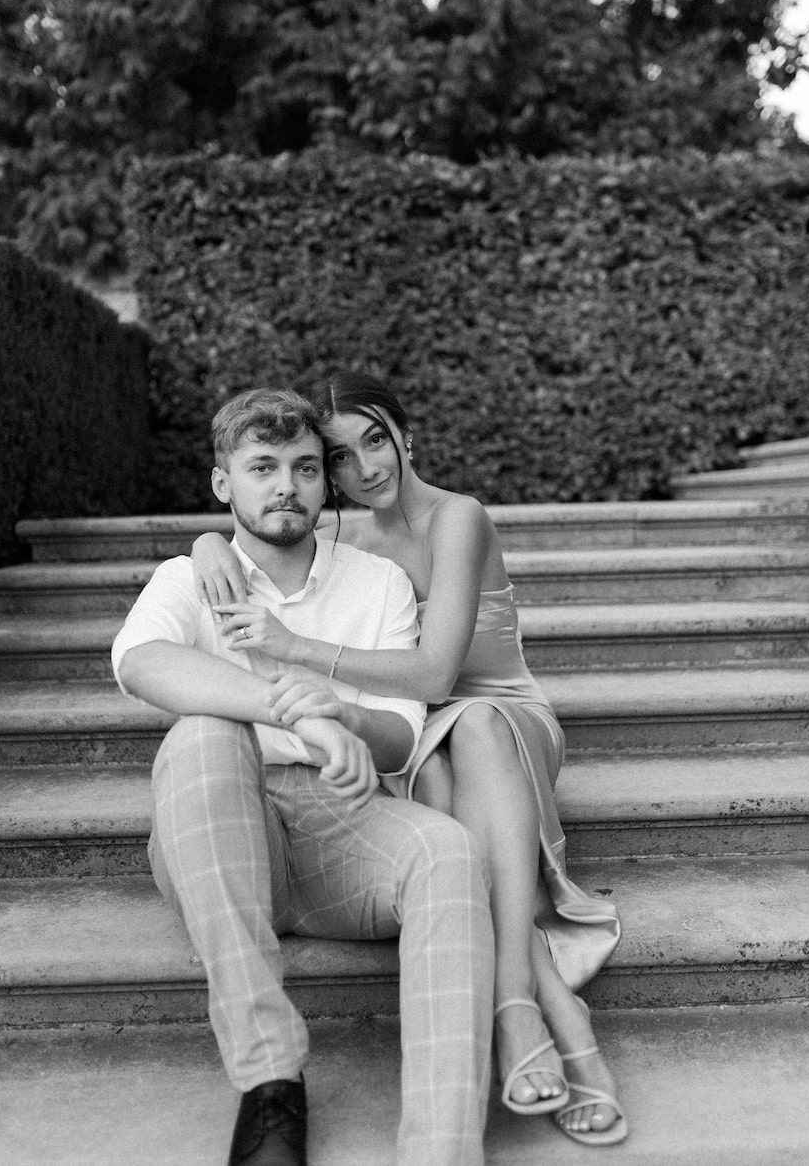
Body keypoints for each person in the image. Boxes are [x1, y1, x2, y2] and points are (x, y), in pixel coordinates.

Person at [192, 372, 627, 1148]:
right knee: (436, 789)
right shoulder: (342, 541)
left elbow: (434, 677)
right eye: (339, 456)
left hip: (502, 713)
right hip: (424, 737)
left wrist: (295, 647)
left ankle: (521, 1007)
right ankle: (560, 1014)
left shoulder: (456, 517)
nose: (364, 468)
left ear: (405, 437)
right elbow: (254, 537)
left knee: (475, 726)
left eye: (375, 440)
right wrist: (202, 546)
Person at [111, 387, 496, 1166]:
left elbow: (396, 741)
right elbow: (143, 663)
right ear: (225, 484)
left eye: (303, 467)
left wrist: (346, 718)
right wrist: (296, 715)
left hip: (339, 828)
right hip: (219, 828)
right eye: (261, 467)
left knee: (450, 851)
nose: (284, 484)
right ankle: (271, 1087)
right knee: (201, 735)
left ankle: (442, 1150)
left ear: (325, 484)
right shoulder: (188, 578)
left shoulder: (376, 583)